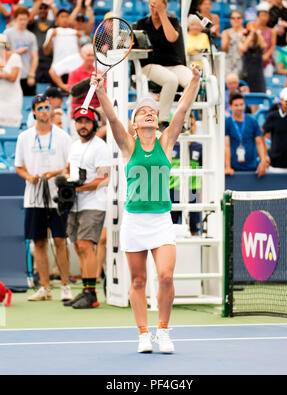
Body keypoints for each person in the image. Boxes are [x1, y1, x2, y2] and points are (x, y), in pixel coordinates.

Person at [92, 62, 202, 353]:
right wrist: (102, 90)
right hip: (135, 222)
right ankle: (143, 333)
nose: (149, 112)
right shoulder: (129, 145)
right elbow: (113, 121)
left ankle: (163, 331)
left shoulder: (166, 142)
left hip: (161, 220)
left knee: (165, 276)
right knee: (138, 280)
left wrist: (195, 80)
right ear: (135, 123)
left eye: (152, 110)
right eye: (143, 111)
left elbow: (181, 112)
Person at [14, 93, 73, 302]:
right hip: (34, 198)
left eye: (47, 107)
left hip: (57, 197)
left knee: (60, 240)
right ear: (33, 112)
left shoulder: (63, 137)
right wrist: (29, 177)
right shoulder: (24, 137)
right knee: (38, 242)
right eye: (39, 108)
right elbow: (18, 166)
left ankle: (66, 286)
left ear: (51, 109)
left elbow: (69, 166)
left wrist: (54, 174)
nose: (44, 111)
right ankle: (45, 288)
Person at [63, 106, 111, 309]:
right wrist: (66, 182)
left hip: (94, 202)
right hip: (75, 203)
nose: (83, 125)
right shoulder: (74, 146)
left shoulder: (100, 146)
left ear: (94, 124)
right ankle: (85, 290)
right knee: (77, 246)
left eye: (87, 121)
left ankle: (91, 293)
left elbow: (105, 179)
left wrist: (80, 188)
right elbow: (68, 169)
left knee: (84, 245)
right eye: (80, 122)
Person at [133, 0, 194, 131]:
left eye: (157, 4)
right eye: (151, 4)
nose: (153, 7)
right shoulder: (141, 24)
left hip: (174, 64)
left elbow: (172, 37)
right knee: (171, 80)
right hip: (150, 64)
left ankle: (183, 120)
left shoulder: (172, 21)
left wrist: (162, 14)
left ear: (165, 5)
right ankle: (163, 120)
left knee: (192, 80)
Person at [170, 112, 202, 235]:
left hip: (192, 192)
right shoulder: (171, 146)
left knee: (193, 229)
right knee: (170, 228)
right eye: (187, 125)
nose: (190, 127)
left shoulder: (199, 148)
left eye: (192, 124)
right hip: (172, 191)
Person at [225, 92, 269, 177]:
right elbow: (226, 145)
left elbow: (259, 143)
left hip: (252, 168)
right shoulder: (227, 123)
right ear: (230, 107)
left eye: (241, 104)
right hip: (234, 169)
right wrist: (227, 166)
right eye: (236, 105)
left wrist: (263, 161)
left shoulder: (252, 121)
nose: (239, 108)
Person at [262, 86, 287, 172]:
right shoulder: (273, 116)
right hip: (277, 166)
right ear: (282, 100)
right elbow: (261, 135)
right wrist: (264, 156)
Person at [4, 6, 38, 96]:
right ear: (15, 19)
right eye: (20, 19)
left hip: (26, 76)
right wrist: (17, 52)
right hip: (11, 75)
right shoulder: (7, 33)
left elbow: (35, 57)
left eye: (25, 19)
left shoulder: (31, 36)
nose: (23, 22)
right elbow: (2, 54)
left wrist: (31, 74)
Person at [43, 8, 80, 86]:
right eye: (62, 17)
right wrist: (51, 37)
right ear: (57, 19)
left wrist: (79, 38)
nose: (65, 19)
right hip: (58, 68)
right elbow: (46, 52)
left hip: (74, 69)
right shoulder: (52, 31)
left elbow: (80, 51)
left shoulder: (75, 33)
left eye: (66, 17)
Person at [28, 0, 56, 84]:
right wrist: (38, 3)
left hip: (50, 60)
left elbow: (60, 19)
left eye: (45, 8)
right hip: (35, 60)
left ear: (48, 9)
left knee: (51, 87)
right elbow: (29, 19)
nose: (43, 10)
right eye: (40, 8)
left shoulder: (52, 23)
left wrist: (52, 5)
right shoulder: (34, 23)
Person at [0, 33, 23, 127]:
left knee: (13, 124)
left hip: (13, 98)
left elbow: (13, 77)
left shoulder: (15, 57)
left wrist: (3, 75)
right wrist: (4, 75)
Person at [254, 2, 277, 77]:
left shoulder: (272, 31)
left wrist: (266, 56)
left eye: (266, 15)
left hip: (267, 60)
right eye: (262, 15)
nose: (264, 18)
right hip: (255, 60)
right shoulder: (253, 30)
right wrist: (256, 30)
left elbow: (273, 46)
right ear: (258, 17)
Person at [221, 10, 245, 77]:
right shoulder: (226, 32)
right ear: (230, 20)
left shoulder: (246, 32)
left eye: (238, 18)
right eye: (233, 18)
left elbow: (245, 50)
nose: (236, 20)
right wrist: (229, 38)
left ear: (242, 19)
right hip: (229, 63)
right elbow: (224, 49)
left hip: (242, 63)